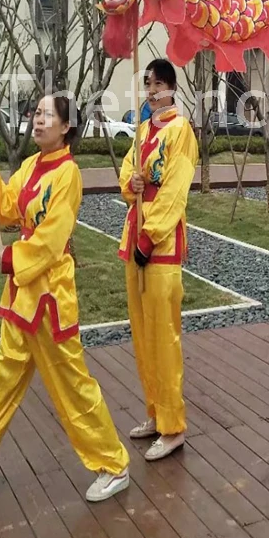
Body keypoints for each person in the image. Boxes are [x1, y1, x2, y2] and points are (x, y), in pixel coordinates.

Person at [0, 95, 130, 503]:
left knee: (73, 387)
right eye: (36, 113)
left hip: (50, 298)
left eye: (48, 115)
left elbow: (52, 240)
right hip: (21, 298)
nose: (38, 120)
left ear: (66, 126)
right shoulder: (32, 167)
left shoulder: (69, 174)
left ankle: (114, 464)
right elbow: (7, 209)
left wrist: (12, 256)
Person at [119, 58, 198, 460]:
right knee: (143, 334)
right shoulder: (143, 130)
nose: (150, 92)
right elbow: (129, 170)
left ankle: (173, 425)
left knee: (164, 337)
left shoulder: (181, 132)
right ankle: (154, 411)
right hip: (134, 235)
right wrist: (130, 180)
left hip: (161, 245)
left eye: (156, 85)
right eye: (147, 84)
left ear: (171, 88)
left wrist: (150, 237)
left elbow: (174, 190)